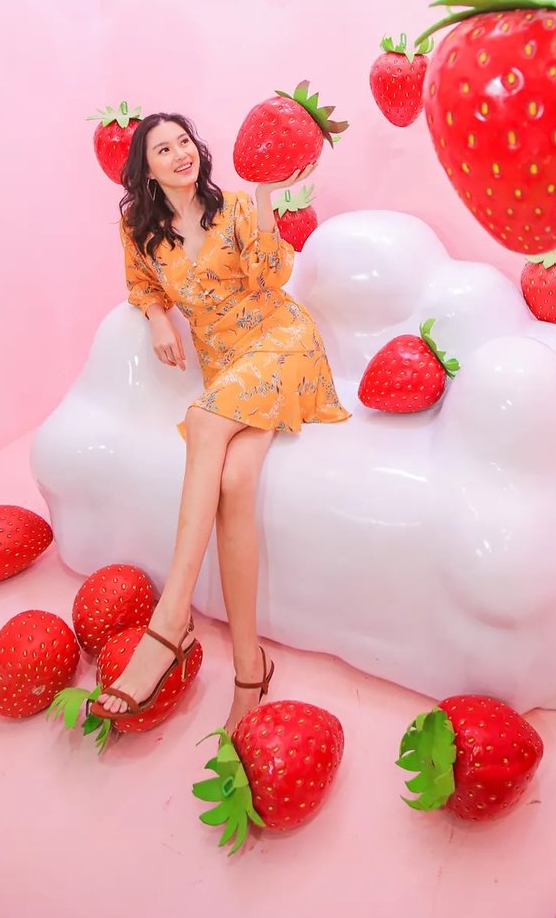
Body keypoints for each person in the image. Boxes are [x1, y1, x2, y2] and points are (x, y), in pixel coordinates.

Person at [90, 111, 350, 735]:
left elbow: (273, 275)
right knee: (235, 487)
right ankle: (249, 668)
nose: (180, 154)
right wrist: (156, 317)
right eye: (163, 148)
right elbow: (141, 284)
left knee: (204, 423)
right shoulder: (137, 228)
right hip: (228, 363)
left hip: (282, 344)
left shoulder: (232, 207)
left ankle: (170, 619)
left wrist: (264, 198)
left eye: (185, 143)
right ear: (145, 167)